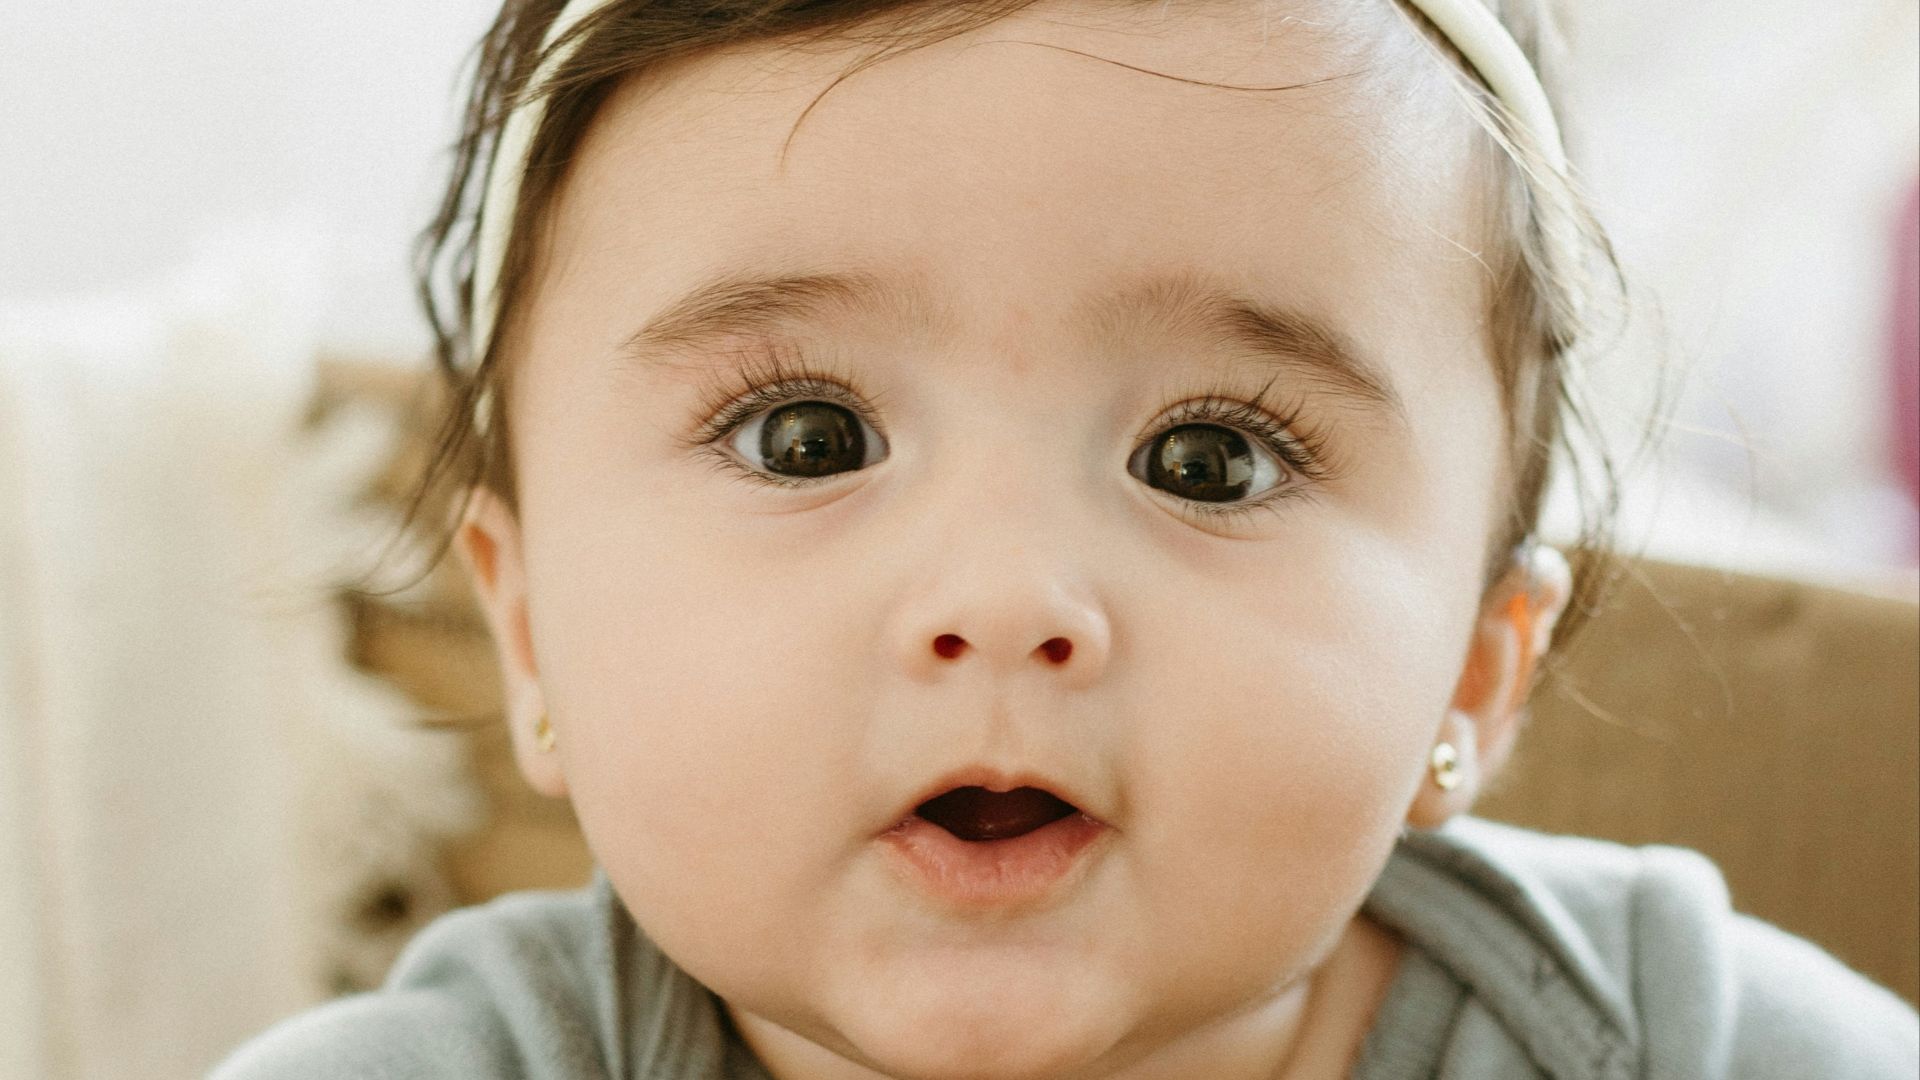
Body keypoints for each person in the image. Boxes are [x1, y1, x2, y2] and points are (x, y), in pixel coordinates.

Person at [209, 0, 1920, 1077]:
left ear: (1474, 674)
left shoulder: (1689, 1043)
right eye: (808, 437)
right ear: (529, 638)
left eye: (1210, 459)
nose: (1005, 599)